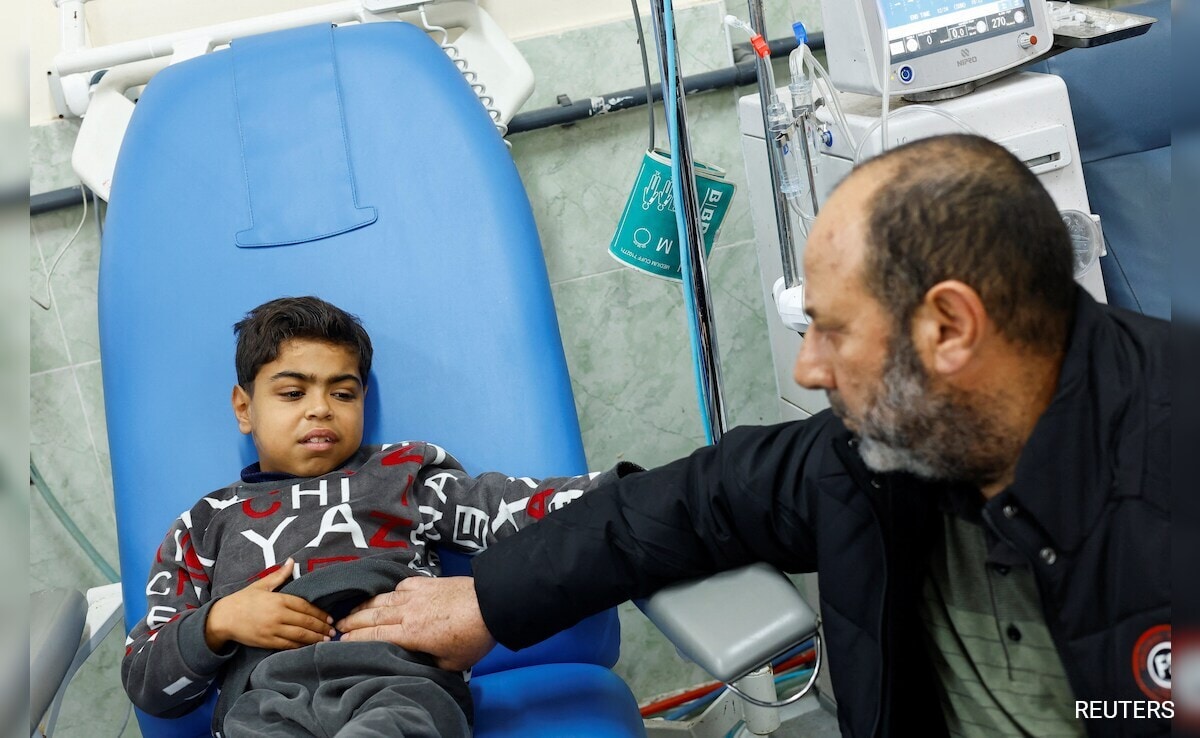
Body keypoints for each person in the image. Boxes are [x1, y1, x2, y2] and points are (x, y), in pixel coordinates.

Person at [337, 135, 1171, 737]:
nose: (808, 369)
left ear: (950, 328)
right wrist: (489, 597)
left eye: (832, 331)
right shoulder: (889, 452)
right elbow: (700, 498)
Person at [120, 296, 640, 738]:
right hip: (261, 706)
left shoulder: (400, 475)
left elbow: (506, 507)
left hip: (400, 686)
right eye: (293, 392)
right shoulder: (205, 525)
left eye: (342, 393)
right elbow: (148, 684)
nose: (320, 409)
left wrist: (629, 492)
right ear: (244, 407)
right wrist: (218, 622)